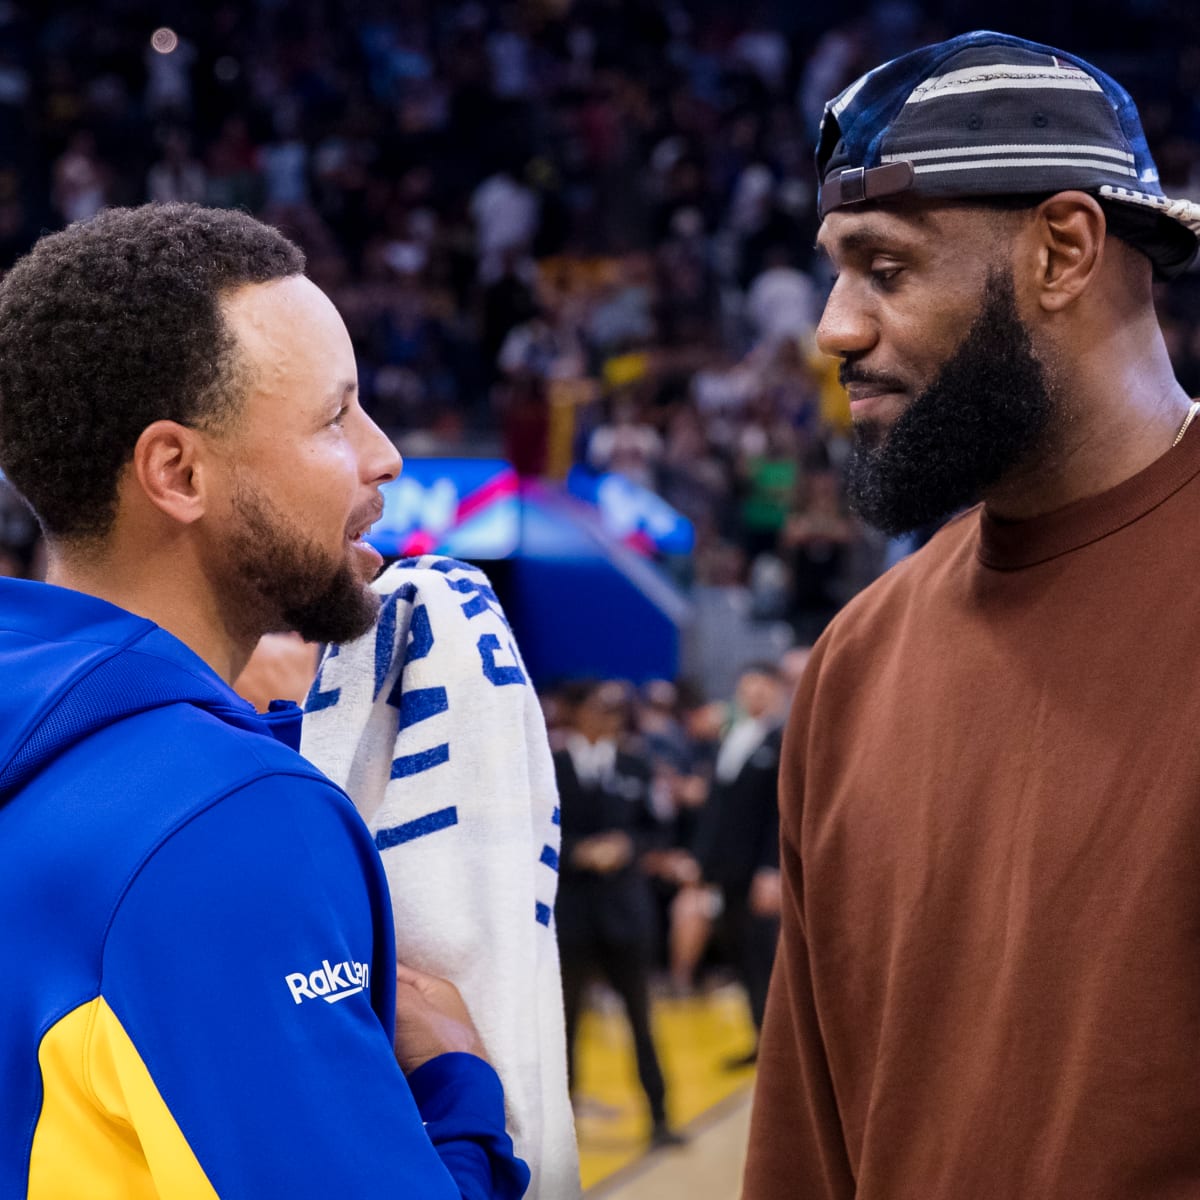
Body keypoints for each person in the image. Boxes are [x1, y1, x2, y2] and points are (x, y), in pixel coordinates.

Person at [744, 31, 1200, 1200]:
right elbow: (808, 1148)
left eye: (884, 268)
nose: (834, 329)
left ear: (1063, 251)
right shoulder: (857, 659)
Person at [0, 203, 529, 1198]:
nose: (385, 457)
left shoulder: (56, 753)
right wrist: (461, 1090)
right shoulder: (223, 820)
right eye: (335, 417)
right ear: (178, 471)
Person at [553, 679, 684, 1148]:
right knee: (564, 1025)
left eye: (613, 710)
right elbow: (533, 834)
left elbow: (658, 827)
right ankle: (559, 1130)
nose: (606, 718)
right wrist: (578, 854)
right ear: (576, 713)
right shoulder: (553, 765)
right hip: (571, 911)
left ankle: (661, 1117)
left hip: (626, 911)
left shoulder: (635, 762)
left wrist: (627, 846)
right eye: (597, 708)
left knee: (641, 1018)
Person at [691, 662, 785, 1065]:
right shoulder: (731, 738)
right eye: (748, 688)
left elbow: (781, 812)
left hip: (758, 869)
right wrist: (702, 861)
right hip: (727, 867)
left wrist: (772, 869)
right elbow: (717, 809)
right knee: (742, 955)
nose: (755, 695)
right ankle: (761, 1038)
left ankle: (781, 1048)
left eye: (763, 687)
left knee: (765, 956)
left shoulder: (783, 740)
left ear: (777, 692)